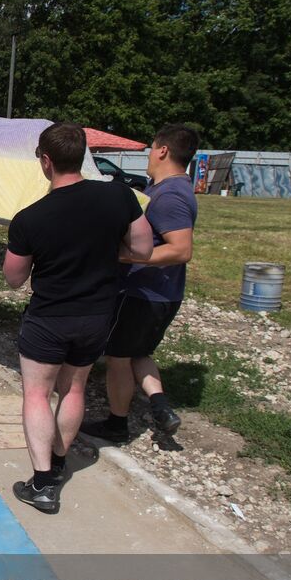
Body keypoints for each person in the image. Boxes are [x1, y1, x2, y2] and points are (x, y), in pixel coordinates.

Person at [2, 122, 153, 514]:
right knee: (74, 389)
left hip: (49, 317)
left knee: (36, 394)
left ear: (47, 161)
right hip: (97, 315)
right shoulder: (119, 196)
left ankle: (43, 483)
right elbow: (143, 249)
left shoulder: (29, 218)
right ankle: (60, 459)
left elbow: (14, 279)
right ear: (83, 156)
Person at [82, 125, 200, 443]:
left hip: (142, 294)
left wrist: (126, 256)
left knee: (118, 358)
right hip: (162, 293)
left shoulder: (171, 195)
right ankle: (160, 405)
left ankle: (117, 424)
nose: (149, 155)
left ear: (162, 150)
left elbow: (180, 249)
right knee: (138, 353)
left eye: (151, 148)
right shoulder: (168, 187)